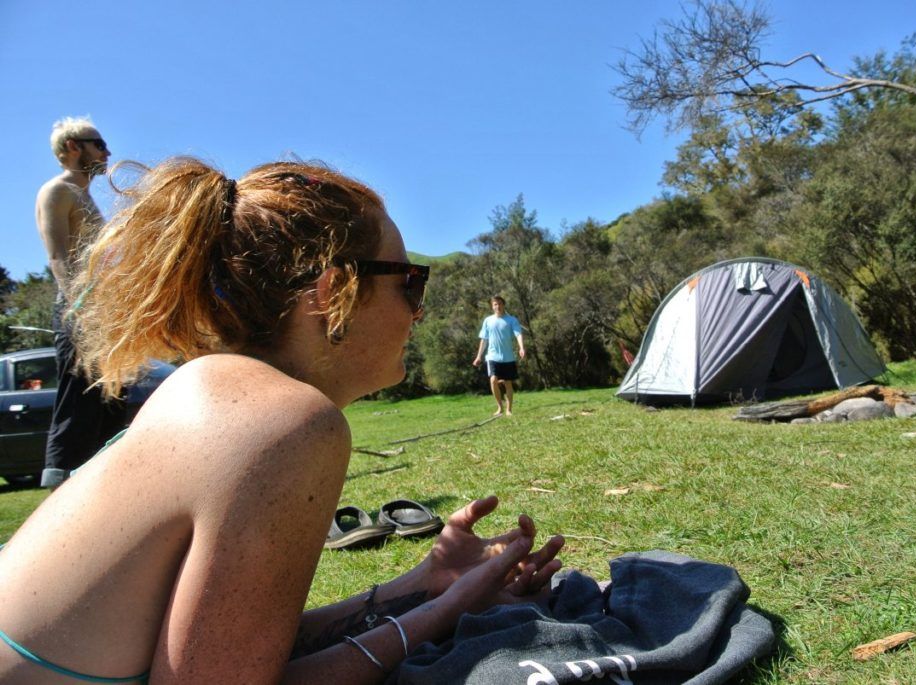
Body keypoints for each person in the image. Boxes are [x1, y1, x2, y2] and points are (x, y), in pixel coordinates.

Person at [0, 158, 563, 684]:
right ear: (334, 293)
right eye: (409, 284)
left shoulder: (208, 388)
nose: (417, 313)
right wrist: (450, 609)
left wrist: (427, 584)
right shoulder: (285, 423)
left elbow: (235, 650)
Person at [34, 116, 126, 488]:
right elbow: (58, 256)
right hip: (79, 312)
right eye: (99, 144)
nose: (107, 153)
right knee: (79, 403)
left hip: (102, 314)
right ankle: (60, 489)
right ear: (74, 147)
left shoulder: (85, 196)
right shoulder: (57, 190)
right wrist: (79, 309)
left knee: (112, 404)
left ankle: (104, 492)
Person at [472, 295, 526, 416]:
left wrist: (521, 348)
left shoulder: (512, 320)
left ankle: (509, 410)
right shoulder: (488, 321)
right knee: (493, 380)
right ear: (492, 306)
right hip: (492, 357)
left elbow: (518, 334)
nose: (498, 306)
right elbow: (484, 339)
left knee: (508, 383)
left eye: (500, 304)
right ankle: (500, 407)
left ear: (504, 305)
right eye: (495, 304)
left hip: (508, 357)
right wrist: (479, 356)